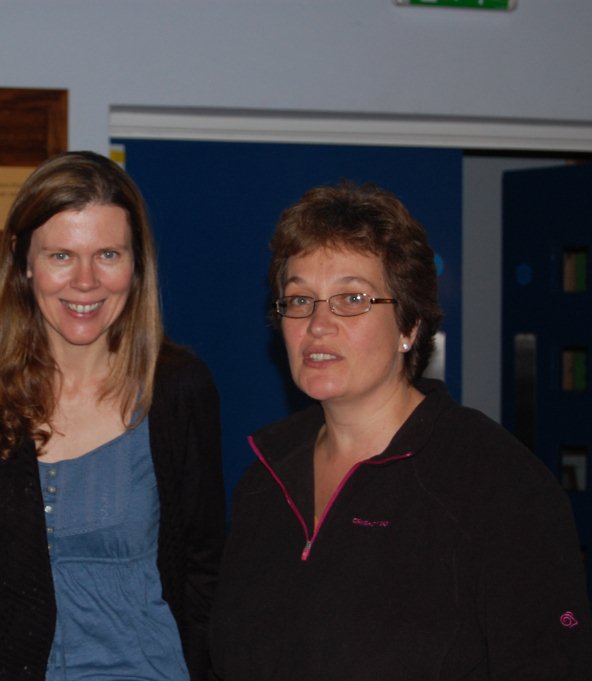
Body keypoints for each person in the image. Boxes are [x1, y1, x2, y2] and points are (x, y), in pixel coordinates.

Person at [210, 181, 592, 680]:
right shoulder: (265, 479)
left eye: (352, 298)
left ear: (409, 326)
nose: (318, 324)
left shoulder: (496, 484)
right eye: (300, 299)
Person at [0, 151, 225, 681]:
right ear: (23, 261)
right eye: (61, 255)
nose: (85, 281)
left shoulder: (178, 389)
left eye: (108, 254)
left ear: (136, 263)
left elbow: (204, 567)